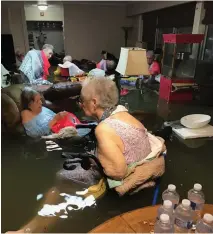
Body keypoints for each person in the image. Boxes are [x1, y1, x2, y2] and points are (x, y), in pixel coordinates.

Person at [79, 77, 151, 179]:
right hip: (142, 164)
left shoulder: (103, 129)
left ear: (94, 102)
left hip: (126, 178)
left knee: (61, 175)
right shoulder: (123, 113)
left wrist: (94, 160)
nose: (81, 104)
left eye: (82, 100)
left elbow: (118, 173)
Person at [21, 87, 91, 138]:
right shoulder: (26, 114)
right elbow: (34, 135)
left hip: (65, 128)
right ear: (29, 104)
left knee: (91, 127)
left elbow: (56, 118)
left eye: (40, 99)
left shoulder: (43, 108)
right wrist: (54, 120)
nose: (41, 102)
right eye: (37, 101)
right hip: (56, 137)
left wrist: (61, 116)